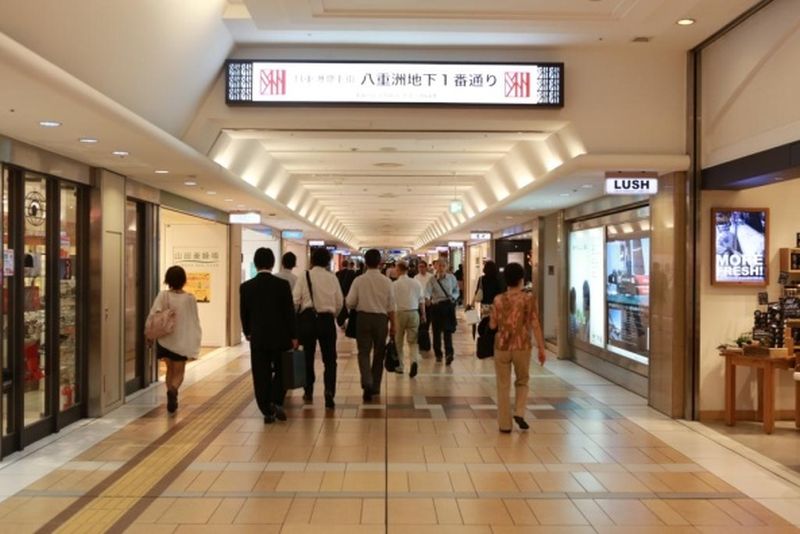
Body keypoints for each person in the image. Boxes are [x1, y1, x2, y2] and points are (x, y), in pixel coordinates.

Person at [240, 248, 298, 424]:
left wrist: (247, 332)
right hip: (281, 337)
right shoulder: (282, 285)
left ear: (256, 263)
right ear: (272, 263)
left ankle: (266, 410)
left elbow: (244, 313)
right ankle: (276, 400)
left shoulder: (246, 287)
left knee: (260, 373)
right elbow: (289, 313)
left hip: (258, 337)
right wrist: (294, 335)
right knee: (282, 370)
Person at [489, 262, 546, 433]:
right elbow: (535, 324)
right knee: (522, 381)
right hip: (522, 345)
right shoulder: (528, 299)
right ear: (521, 279)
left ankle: (504, 425)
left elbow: (492, 325)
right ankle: (519, 412)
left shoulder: (498, 299)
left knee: (503, 385)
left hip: (501, 346)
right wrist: (541, 348)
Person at [293, 247, 344, 408]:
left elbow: (295, 300)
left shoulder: (304, 276)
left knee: (307, 357)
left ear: (312, 260)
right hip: (326, 320)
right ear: (328, 262)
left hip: (307, 320)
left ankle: (308, 390)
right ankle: (329, 391)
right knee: (330, 359)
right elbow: (339, 302)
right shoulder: (332, 278)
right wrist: (332, 316)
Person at [148, 265, 202, 414]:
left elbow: (153, 316)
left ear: (168, 279)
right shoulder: (190, 298)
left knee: (169, 369)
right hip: (181, 342)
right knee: (179, 371)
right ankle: (173, 390)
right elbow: (194, 320)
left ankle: (170, 394)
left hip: (165, 340)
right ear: (183, 280)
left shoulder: (163, 296)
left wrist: (150, 335)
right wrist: (195, 338)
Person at [346, 248, 395, 401]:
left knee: (363, 352)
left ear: (365, 263)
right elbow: (391, 306)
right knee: (379, 354)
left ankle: (366, 381)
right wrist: (393, 326)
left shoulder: (359, 280)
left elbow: (350, 302)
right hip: (381, 320)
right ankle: (375, 387)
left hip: (363, 319)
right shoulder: (387, 282)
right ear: (380, 263)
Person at [393, 260, 426, 378]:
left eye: (396, 269)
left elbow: (391, 302)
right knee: (413, 341)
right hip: (414, 312)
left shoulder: (394, 284)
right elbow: (421, 300)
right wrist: (423, 315)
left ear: (399, 270)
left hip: (399, 313)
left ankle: (400, 366)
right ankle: (414, 362)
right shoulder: (416, 283)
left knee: (399, 341)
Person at [425, 258, 459, 365]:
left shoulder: (452, 278)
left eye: (443, 266)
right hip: (436, 307)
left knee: (448, 331)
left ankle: (449, 354)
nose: (441, 268)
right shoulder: (432, 279)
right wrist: (427, 299)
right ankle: (438, 354)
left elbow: (456, 290)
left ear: (447, 267)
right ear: (436, 267)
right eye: (439, 265)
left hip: (448, 306)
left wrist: (453, 298)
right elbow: (427, 291)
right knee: (436, 332)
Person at [415, 260, 434, 350]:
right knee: (419, 324)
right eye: (419, 267)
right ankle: (420, 342)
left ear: (426, 267)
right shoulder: (416, 278)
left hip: (428, 302)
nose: (421, 268)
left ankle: (426, 343)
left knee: (427, 323)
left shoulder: (431, 277)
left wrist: (429, 299)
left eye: (422, 267)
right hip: (419, 303)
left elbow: (434, 289)